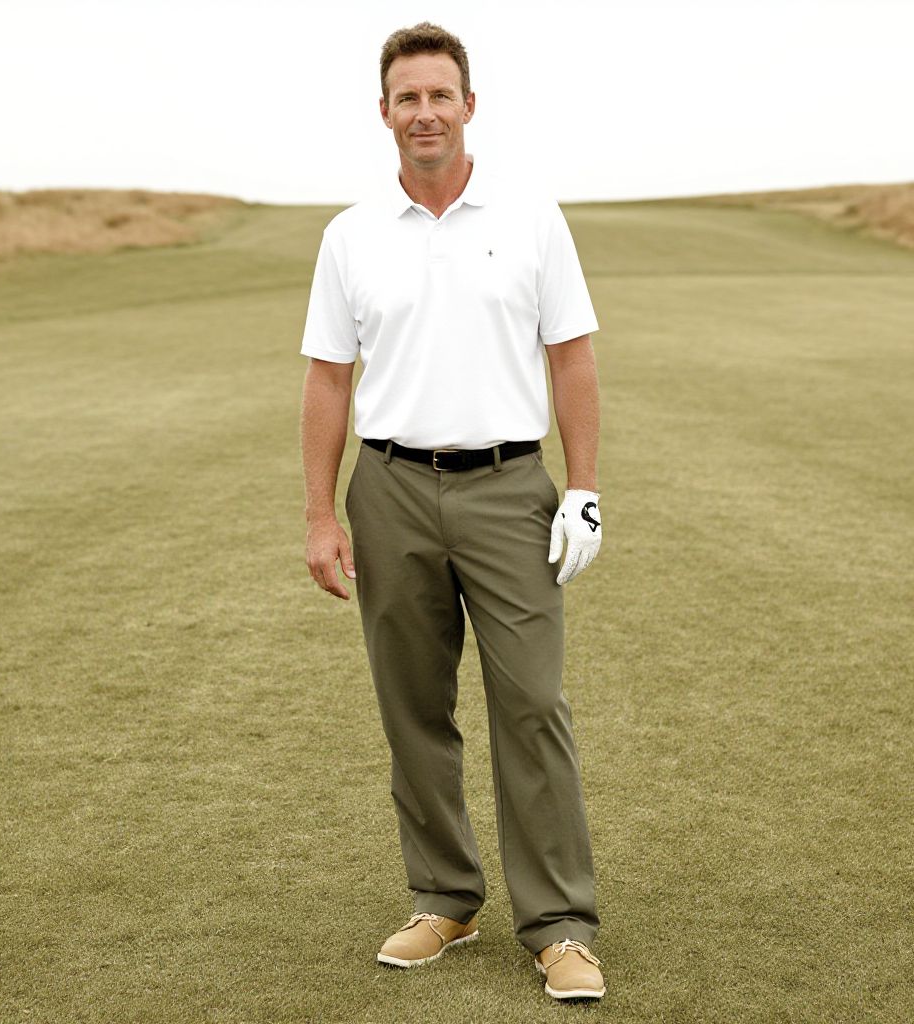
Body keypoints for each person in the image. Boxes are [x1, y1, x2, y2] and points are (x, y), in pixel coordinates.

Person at [299, 21, 605, 1002]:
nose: (424, 112)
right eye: (408, 98)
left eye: (440, 95)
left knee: (532, 704)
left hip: (509, 489)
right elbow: (328, 379)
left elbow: (572, 360)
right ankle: (445, 898)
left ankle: (558, 923)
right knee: (413, 705)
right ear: (384, 112)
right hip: (389, 489)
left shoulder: (531, 219)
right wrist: (320, 515)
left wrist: (583, 489)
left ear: (468, 106)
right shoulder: (350, 236)